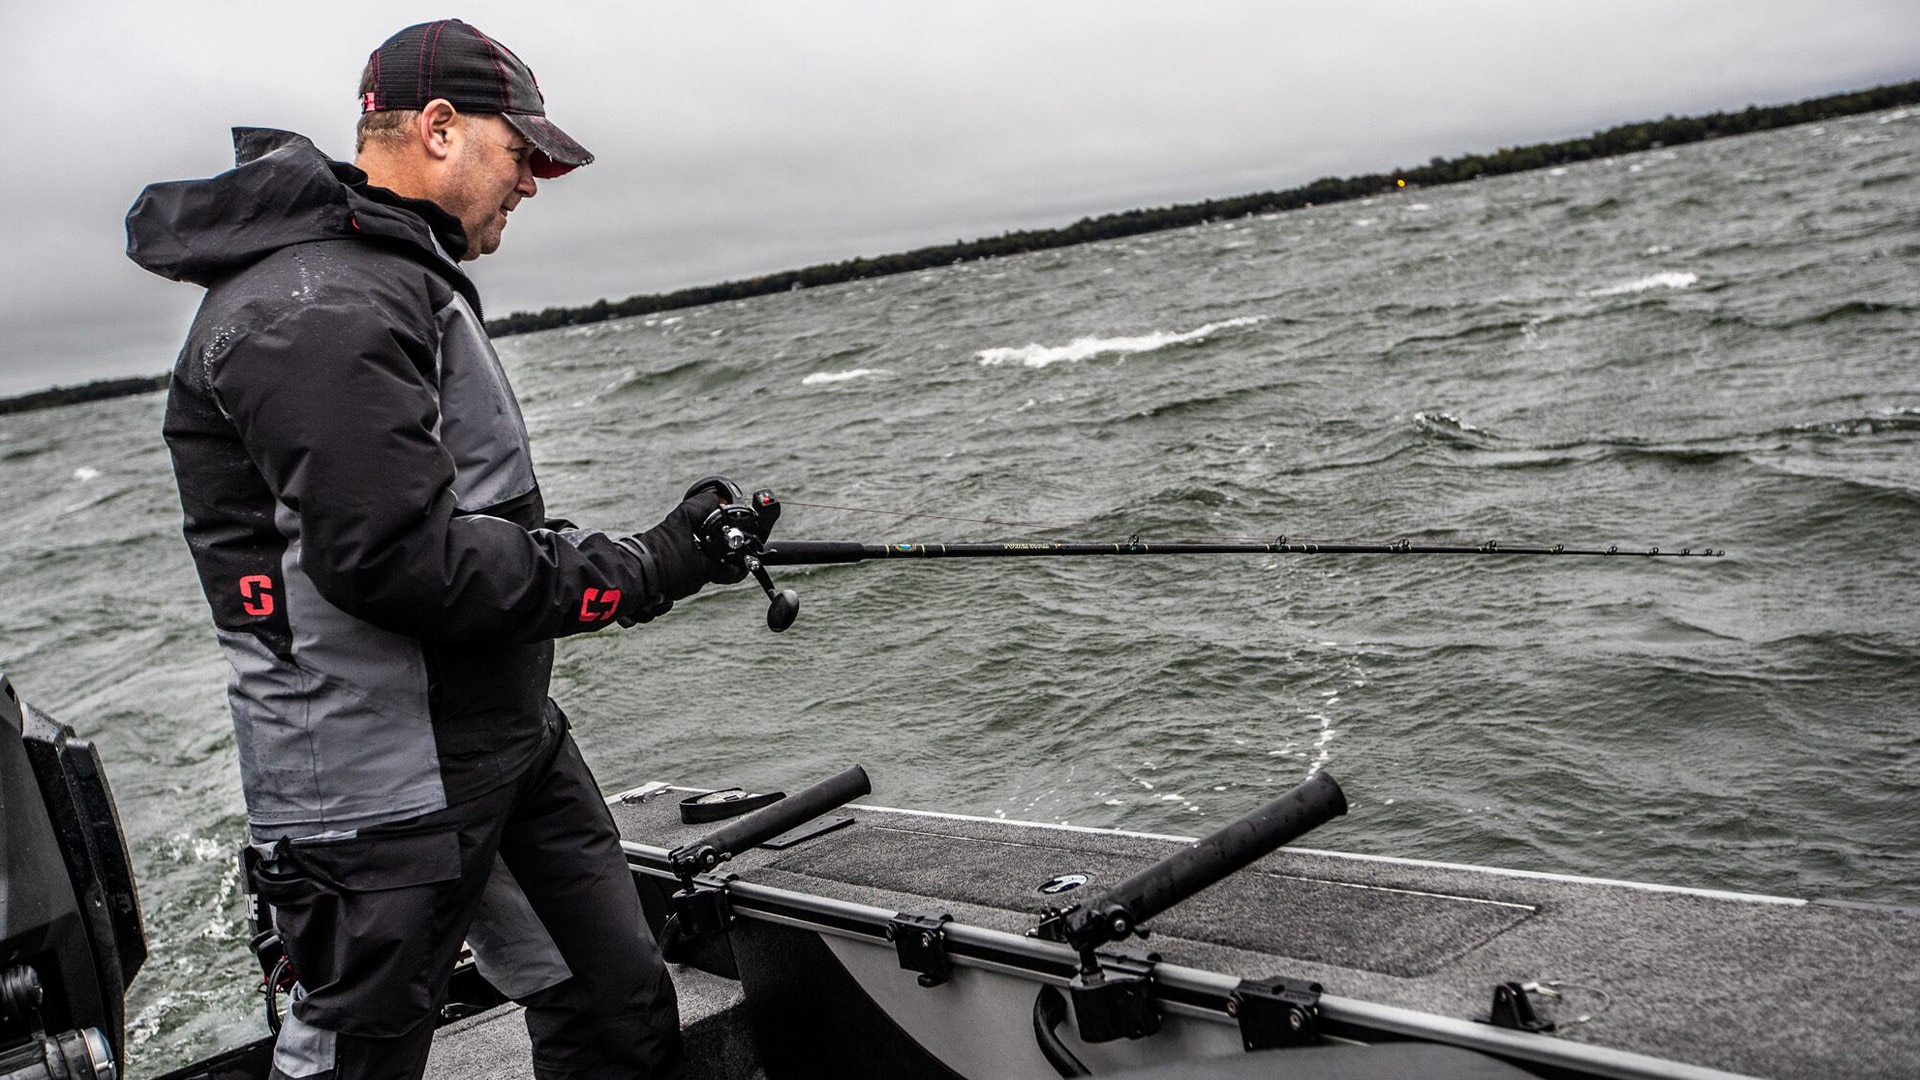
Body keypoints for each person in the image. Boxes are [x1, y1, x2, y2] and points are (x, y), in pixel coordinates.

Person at [125, 19, 729, 1080]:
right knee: (355, 1060)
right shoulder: (317, 301)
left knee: (615, 1003)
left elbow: (465, 522)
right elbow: (403, 561)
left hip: (499, 742)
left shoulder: (380, 274)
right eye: (523, 151)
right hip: (378, 788)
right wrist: (647, 564)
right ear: (440, 129)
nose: (535, 181)